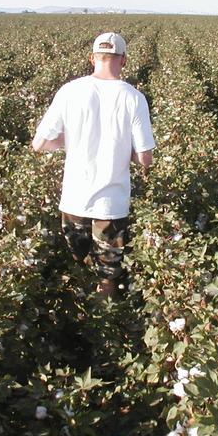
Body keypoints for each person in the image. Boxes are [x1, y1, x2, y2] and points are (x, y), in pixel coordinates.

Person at [32, 32, 155, 298]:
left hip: (74, 198)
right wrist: (126, 152)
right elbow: (145, 159)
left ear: (92, 58)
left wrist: (70, 141)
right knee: (107, 275)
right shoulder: (134, 98)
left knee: (78, 261)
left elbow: (39, 144)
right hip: (111, 204)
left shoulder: (70, 91)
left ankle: (79, 312)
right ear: (123, 60)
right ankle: (106, 318)